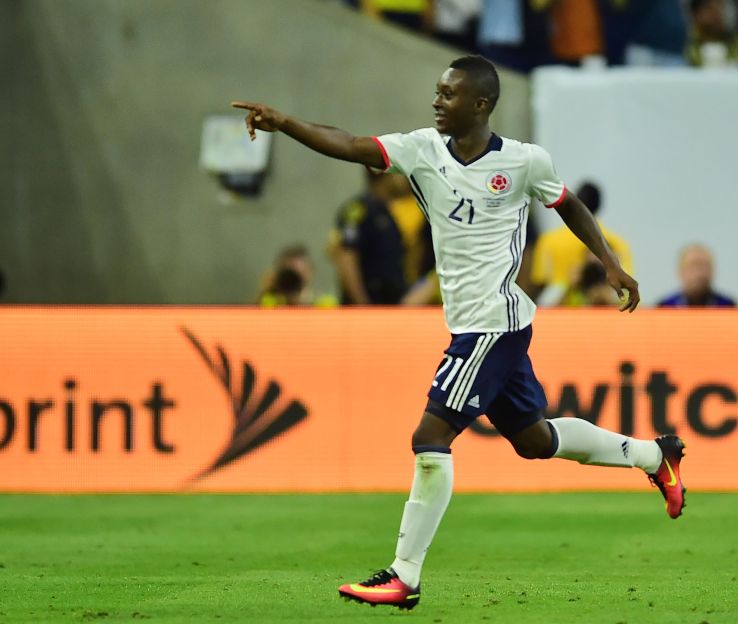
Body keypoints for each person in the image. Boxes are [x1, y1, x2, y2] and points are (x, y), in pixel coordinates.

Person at [233, 54, 687, 611]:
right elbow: (349, 143)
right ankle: (654, 455)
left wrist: (609, 262)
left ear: (481, 104)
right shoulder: (422, 150)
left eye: (448, 94)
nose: (436, 102)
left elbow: (566, 204)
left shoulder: (524, 162)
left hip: (490, 325)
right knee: (534, 440)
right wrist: (288, 124)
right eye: (437, 92)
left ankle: (404, 575)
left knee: (429, 438)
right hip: (485, 323)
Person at [328, 170, 430, 305]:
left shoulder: (388, 213)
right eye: (399, 172)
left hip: (388, 307)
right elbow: (347, 259)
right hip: (368, 309)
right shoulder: (358, 210)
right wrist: (363, 305)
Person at [529, 182, 633, 306]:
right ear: (599, 205)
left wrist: (566, 285)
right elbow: (627, 285)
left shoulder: (548, 240)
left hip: (562, 311)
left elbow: (540, 287)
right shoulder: (618, 243)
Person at [686, 0, 738, 67]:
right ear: (696, 15)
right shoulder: (689, 46)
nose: (717, 14)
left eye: (720, 7)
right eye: (710, 9)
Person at [658, 244, 737, 307]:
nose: (699, 272)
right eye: (694, 265)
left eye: (705, 266)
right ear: (680, 271)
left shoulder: (728, 306)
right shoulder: (665, 306)